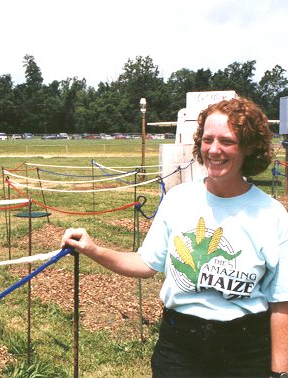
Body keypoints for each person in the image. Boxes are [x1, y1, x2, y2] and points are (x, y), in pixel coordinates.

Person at [61, 97, 288, 377]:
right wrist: (93, 249)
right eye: (208, 139)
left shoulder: (272, 215)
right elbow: (145, 264)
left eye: (227, 141)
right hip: (179, 349)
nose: (214, 150)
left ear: (249, 147)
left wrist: (280, 373)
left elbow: (281, 303)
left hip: (246, 352)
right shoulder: (179, 199)